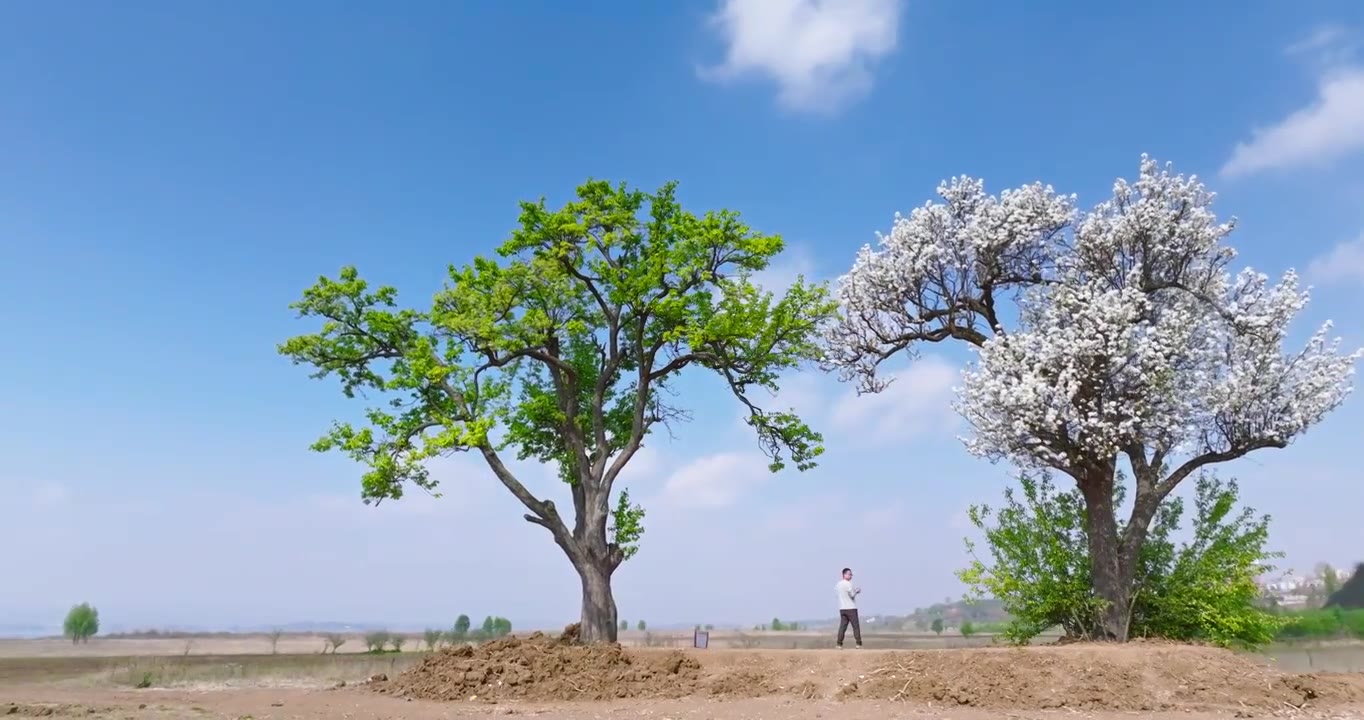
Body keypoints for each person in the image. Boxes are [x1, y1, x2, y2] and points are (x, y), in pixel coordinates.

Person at [835, 567, 862, 649]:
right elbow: (852, 595)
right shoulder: (848, 584)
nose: (851, 576)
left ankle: (839, 644)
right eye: (849, 574)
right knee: (855, 626)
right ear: (844, 574)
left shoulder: (838, 584)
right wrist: (857, 591)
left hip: (842, 608)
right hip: (851, 608)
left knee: (842, 627)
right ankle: (858, 643)